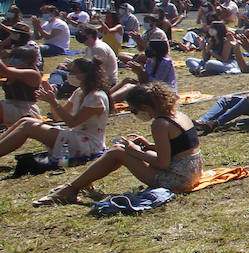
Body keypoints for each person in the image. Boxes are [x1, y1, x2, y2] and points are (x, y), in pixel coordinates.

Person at [35, 82, 204, 205]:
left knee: (118, 152)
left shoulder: (160, 124)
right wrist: (148, 146)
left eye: (134, 110)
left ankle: (71, 189)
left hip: (178, 178)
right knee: (119, 151)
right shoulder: (178, 115)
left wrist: (134, 151)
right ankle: (80, 184)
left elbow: (162, 162)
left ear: (144, 106)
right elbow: (181, 147)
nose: (134, 113)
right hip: (192, 170)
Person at [0, 58, 108, 167]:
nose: (69, 75)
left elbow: (72, 123)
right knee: (25, 120)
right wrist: (52, 101)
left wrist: (54, 102)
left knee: (28, 126)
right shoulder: (79, 92)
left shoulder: (96, 97)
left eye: (73, 72)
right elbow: (57, 118)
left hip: (88, 145)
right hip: (76, 137)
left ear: (86, 75)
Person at [111, 38, 178, 104]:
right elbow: (145, 81)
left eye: (150, 49)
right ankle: (107, 95)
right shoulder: (150, 60)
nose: (147, 50)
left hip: (164, 93)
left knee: (130, 87)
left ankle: (109, 101)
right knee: (128, 80)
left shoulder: (165, 63)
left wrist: (141, 72)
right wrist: (139, 73)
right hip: (152, 88)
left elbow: (157, 83)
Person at [0, 44, 42, 130]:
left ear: (27, 61)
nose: (12, 60)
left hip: (26, 111)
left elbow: (5, 71)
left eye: (16, 58)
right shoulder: (15, 69)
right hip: (10, 107)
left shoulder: (32, 74)